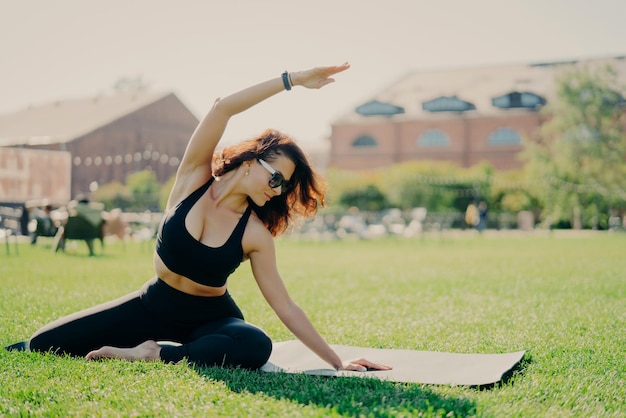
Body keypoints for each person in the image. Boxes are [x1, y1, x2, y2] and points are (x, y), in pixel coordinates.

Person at [6, 63, 391, 373]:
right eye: (275, 178)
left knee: (254, 344)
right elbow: (223, 107)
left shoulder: (255, 234)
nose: (277, 190)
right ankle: (155, 345)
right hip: (151, 304)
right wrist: (292, 80)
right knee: (42, 344)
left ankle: (153, 355)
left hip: (210, 318)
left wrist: (337, 361)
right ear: (249, 161)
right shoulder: (193, 179)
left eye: (283, 187)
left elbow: (285, 306)